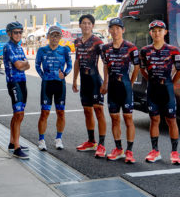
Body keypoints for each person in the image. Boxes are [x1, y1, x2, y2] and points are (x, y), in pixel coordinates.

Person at [140, 20, 180, 164]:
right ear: (150, 33)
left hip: (167, 89)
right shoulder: (144, 51)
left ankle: (175, 152)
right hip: (153, 90)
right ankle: (155, 151)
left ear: (165, 32)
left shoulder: (173, 50)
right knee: (154, 120)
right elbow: (142, 69)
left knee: (171, 120)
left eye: (159, 30)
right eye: (154, 31)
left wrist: (171, 83)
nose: (157, 33)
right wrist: (151, 80)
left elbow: (179, 70)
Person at [100, 18, 139, 163]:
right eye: (112, 28)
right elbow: (105, 65)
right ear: (109, 30)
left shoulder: (131, 47)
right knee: (114, 119)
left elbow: (137, 67)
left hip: (125, 88)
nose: (115, 31)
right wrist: (105, 82)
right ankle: (118, 149)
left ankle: (129, 151)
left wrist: (131, 83)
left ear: (123, 30)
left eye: (118, 28)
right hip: (112, 89)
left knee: (128, 119)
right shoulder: (105, 48)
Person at [72, 14, 107, 158]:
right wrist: (74, 80)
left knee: (99, 111)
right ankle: (91, 141)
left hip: (95, 80)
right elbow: (77, 61)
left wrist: (105, 82)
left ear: (92, 25)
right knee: (87, 111)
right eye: (84, 23)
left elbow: (105, 62)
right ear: (80, 25)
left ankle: (102, 145)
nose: (86, 25)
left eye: (89, 23)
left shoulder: (97, 41)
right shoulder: (77, 42)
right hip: (84, 81)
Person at [35, 26, 72, 151]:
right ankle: (41, 140)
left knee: (60, 112)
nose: (55, 38)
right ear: (48, 36)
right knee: (44, 112)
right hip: (47, 84)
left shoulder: (65, 50)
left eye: (57, 35)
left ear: (60, 37)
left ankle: (58, 138)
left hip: (60, 84)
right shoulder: (42, 50)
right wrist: (43, 75)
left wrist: (65, 74)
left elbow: (70, 65)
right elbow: (37, 65)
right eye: (52, 35)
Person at [3, 21, 30, 159]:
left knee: (19, 114)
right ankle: (17, 148)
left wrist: (23, 64)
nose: (19, 34)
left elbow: (28, 65)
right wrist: (23, 64)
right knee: (18, 113)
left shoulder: (19, 47)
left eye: (20, 32)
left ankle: (12, 142)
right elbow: (20, 65)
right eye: (16, 32)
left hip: (22, 82)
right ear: (9, 34)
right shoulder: (8, 47)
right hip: (13, 82)